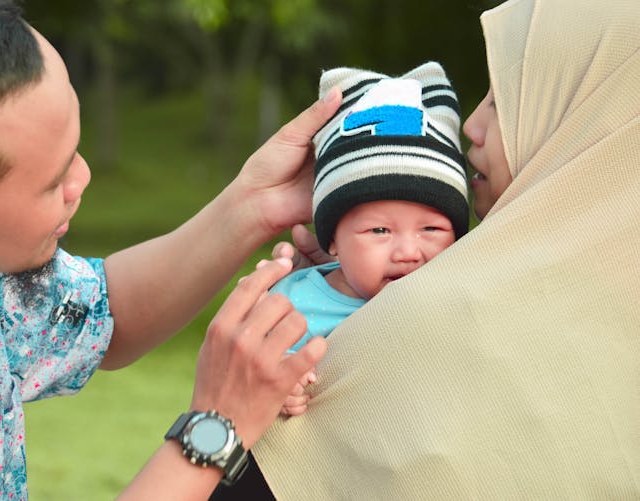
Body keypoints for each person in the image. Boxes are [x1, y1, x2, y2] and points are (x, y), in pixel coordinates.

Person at [0, 0, 342, 499]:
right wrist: (216, 425)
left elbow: (107, 312)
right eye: (53, 181)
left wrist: (255, 205)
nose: (82, 177)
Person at [233, 0, 640, 498]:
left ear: (574, 115)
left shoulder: (450, 312)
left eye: (503, 102)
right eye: (379, 230)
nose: (471, 124)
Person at [274, 62, 468, 358]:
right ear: (333, 241)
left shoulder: (462, 300)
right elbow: (252, 370)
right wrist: (285, 381)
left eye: (430, 229)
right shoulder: (296, 306)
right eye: (380, 230)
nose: (407, 252)